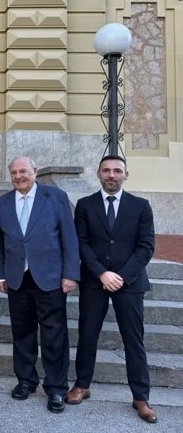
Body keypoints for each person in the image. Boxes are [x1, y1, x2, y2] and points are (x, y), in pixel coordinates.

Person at [67, 155, 157, 423]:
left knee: (134, 340)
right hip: (95, 281)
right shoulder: (85, 205)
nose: (111, 175)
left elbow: (146, 246)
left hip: (129, 283)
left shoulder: (141, 206)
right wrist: (102, 273)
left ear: (126, 175)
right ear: (98, 174)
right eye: (106, 170)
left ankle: (141, 396)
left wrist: (121, 276)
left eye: (117, 171)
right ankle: (82, 385)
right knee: (88, 336)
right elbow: (80, 242)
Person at [0, 156, 80, 414]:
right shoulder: (4, 202)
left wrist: (70, 274)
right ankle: (26, 380)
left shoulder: (55, 197)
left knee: (54, 335)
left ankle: (56, 388)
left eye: (23, 171)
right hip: (17, 279)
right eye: (14, 172)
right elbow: (0, 242)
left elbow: (69, 238)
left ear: (35, 171)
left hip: (50, 277)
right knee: (22, 333)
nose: (19, 176)